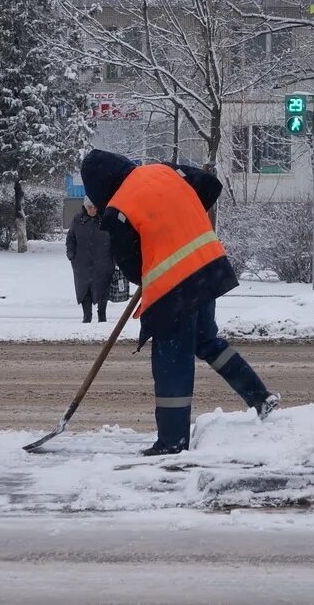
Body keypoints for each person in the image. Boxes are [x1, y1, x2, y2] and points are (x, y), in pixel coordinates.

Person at [80, 149, 279, 457]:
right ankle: (260, 396)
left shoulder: (118, 210)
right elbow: (210, 185)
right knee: (207, 342)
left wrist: (157, 250)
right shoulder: (165, 171)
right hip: (207, 266)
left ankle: (172, 441)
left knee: (171, 359)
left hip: (174, 287)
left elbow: (133, 268)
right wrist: (180, 220)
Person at [66, 196, 113, 325]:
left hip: (103, 262)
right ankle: (87, 317)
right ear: (85, 207)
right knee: (84, 290)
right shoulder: (78, 220)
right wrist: (71, 255)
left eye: (95, 207)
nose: (93, 210)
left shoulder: (105, 219)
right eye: (90, 207)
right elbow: (71, 238)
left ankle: (102, 317)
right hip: (82, 263)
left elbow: (114, 238)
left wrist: (114, 256)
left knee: (103, 289)